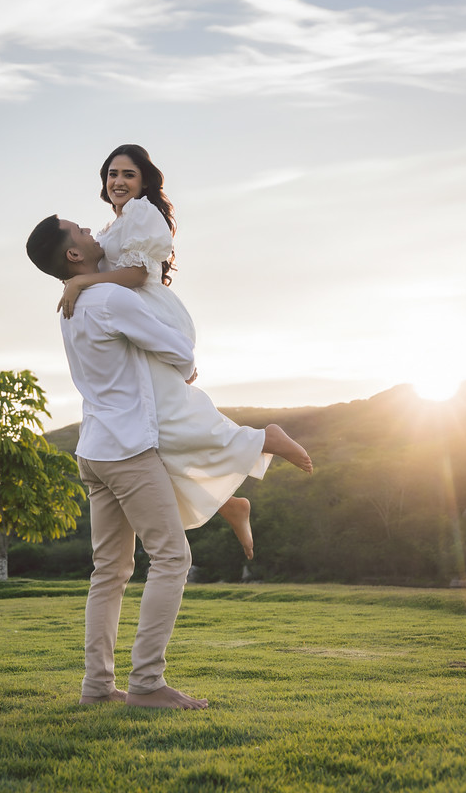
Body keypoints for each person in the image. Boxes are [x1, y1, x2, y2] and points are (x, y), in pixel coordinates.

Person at [57, 144, 312, 559]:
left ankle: (265, 438)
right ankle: (229, 504)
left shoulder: (142, 214)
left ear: (144, 182)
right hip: (132, 325)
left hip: (152, 318)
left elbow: (139, 274)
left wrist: (81, 283)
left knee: (169, 418)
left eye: (128, 174)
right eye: (112, 175)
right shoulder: (111, 226)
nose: (118, 182)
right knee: (151, 435)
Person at [27, 216, 208, 709]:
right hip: (128, 450)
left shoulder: (71, 304)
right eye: (79, 231)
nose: (90, 230)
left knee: (108, 572)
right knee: (173, 558)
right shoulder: (110, 299)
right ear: (73, 255)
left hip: (93, 451)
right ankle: (147, 684)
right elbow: (179, 348)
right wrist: (187, 370)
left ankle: (98, 687)